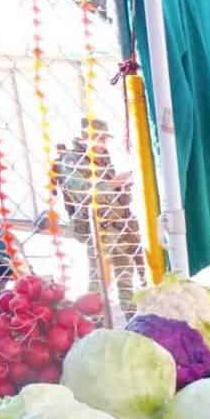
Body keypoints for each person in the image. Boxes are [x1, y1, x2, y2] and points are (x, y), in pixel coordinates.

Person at [53, 118, 147, 315]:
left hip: (118, 224)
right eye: (98, 138)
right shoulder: (72, 160)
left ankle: (130, 315)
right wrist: (113, 184)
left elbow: (112, 192)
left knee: (125, 272)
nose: (103, 143)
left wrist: (123, 186)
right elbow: (82, 193)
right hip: (97, 226)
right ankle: (93, 320)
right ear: (85, 137)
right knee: (100, 279)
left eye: (105, 139)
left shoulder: (102, 158)